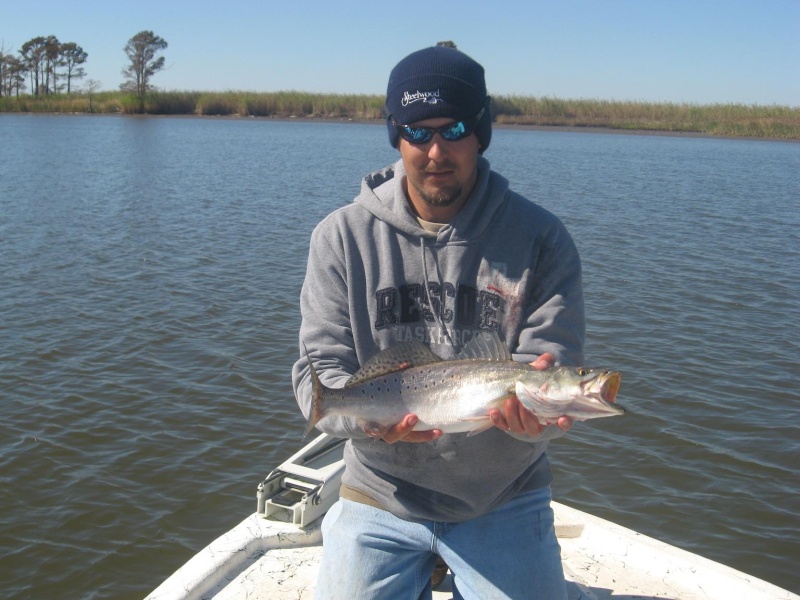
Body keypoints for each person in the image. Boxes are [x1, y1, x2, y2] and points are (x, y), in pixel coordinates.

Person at [292, 45, 585, 600]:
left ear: (480, 132)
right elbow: (318, 373)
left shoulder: (542, 239)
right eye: (415, 131)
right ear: (395, 136)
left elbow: (556, 364)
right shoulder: (339, 238)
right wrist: (360, 420)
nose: (434, 151)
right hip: (379, 489)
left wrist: (540, 418)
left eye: (452, 129)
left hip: (503, 491)